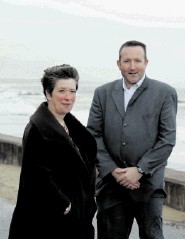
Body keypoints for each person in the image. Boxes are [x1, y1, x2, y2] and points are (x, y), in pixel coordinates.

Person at [87, 40, 178, 239]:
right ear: (118, 63)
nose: (132, 66)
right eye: (126, 61)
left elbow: (167, 140)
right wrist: (112, 170)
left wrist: (139, 170)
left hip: (148, 185)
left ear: (146, 62)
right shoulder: (102, 93)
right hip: (111, 184)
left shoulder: (164, 93)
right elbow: (93, 134)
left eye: (137, 60)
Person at [8, 64, 97, 239]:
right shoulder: (36, 129)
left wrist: (88, 204)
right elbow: (35, 175)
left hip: (77, 219)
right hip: (49, 220)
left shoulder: (74, 129)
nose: (68, 97)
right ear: (48, 94)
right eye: (62, 91)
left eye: (72, 91)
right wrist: (63, 203)